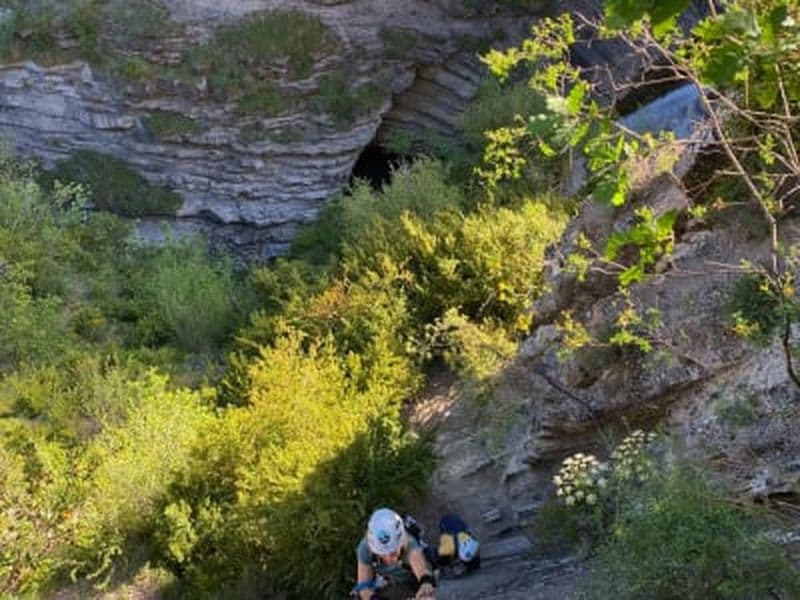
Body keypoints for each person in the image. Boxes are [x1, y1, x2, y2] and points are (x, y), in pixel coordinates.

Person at [354, 507, 436, 600]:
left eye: (393, 552)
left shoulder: (409, 543)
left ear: (401, 543)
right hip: (389, 580)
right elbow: (364, 586)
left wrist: (425, 585)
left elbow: (422, 572)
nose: (388, 558)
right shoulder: (365, 548)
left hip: (410, 577)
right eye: (382, 554)